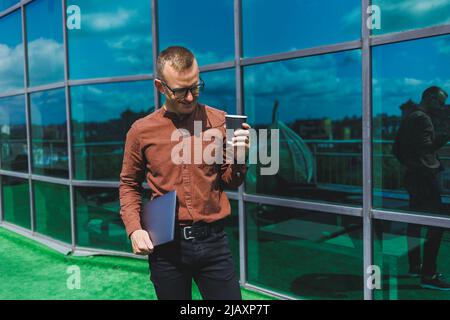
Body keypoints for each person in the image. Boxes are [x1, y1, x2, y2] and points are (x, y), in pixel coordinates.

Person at [119, 46, 250, 300]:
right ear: (160, 86)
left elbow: (232, 180)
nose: (190, 97)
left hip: (215, 244)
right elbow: (128, 184)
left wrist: (241, 157)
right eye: (180, 91)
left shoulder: (220, 121)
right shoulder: (141, 131)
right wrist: (134, 229)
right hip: (166, 249)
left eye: (196, 87)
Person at [393, 86, 450, 290]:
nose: (442, 107)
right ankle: (429, 274)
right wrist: (443, 139)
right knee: (437, 223)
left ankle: (415, 266)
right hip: (424, 177)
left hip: (412, 175)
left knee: (414, 221)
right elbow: (425, 147)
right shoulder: (423, 118)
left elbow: (396, 148)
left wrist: (411, 164)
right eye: (441, 102)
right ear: (431, 98)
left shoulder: (410, 116)